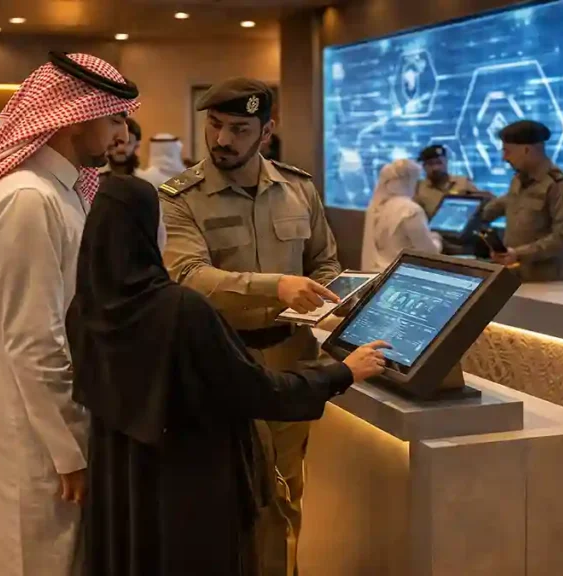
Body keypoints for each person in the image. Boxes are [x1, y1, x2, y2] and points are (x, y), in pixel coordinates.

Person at [69, 174, 388, 576]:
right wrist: (342, 372)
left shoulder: (85, 306)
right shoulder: (181, 312)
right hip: (191, 493)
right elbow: (261, 391)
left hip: (120, 486)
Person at [0, 51, 139, 576]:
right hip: (32, 429)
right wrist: (69, 450)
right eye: (114, 116)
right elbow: (35, 338)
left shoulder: (59, 191)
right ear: (75, 114)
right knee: (34, 554)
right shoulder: (27, 198)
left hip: (51, 416)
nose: (120, 133)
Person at [159, 77, 339, 576]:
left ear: (266, 131)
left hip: (289, 362)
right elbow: (189, 276)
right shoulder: (179, 197)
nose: (222, 140)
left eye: (239, 129)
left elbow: (325, 261)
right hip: (218, 365)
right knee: (228, 499)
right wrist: (276, 286)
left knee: (287, 490)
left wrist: (324, 300)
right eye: (214, 126)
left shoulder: (298, 188)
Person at [480, 120, 563, 281]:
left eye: (508, 151)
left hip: (549, 284)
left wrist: (518, 254)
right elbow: (507, 203)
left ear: (526, 150)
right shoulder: (519, 180)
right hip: (518, 278)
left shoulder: (560, 186)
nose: (504, 158)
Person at [361, 158, 441, 271]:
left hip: (376, 276)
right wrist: (437, 240)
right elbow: (430, 254)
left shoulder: (375, 207)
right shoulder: (410, 210)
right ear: (410, 180)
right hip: (400, 277)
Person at [414, 144, 480, 217]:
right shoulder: (418, 189)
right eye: (430, 164)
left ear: (446, 162)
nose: (435, 168)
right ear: (423, 166)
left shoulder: (463, 182)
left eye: (439, 163)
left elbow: (482, 204)